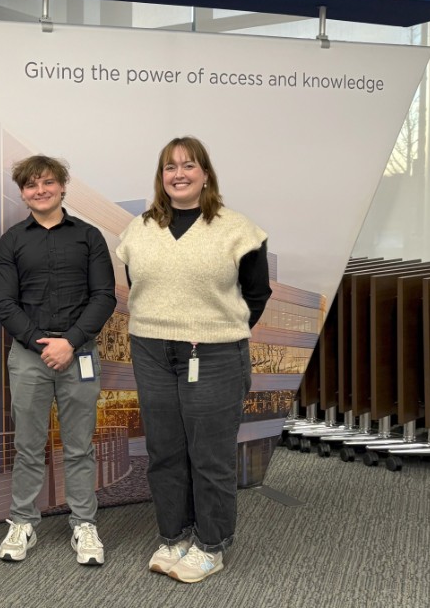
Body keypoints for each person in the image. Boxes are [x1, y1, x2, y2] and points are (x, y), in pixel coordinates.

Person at [115, 136, 271, 585]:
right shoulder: (140, 228)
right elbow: (141, 287)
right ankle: (174, 535)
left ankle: (211, 544)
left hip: (215, 353)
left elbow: (256, 295)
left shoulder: (237, 229)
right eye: (169, 167)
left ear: (206, 173)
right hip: (150, 349)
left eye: (188, 165)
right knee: (164, 450)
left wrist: (216, 329)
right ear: (160, 177)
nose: (178, 174)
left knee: (210, 455)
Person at [0, 155, 116, 566]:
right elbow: (3, 303)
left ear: (63, 186)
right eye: (31, 185)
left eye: (47, 182)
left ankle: (84, 523)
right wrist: (42, 344)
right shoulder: (11, 241)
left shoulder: (89, 237)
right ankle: (23, 521)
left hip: (79, 355)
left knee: (79, 447)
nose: (39, 190)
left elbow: (104, 298)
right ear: (22, 192)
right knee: (28, 446)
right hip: (28, 357)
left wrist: (71, 343)